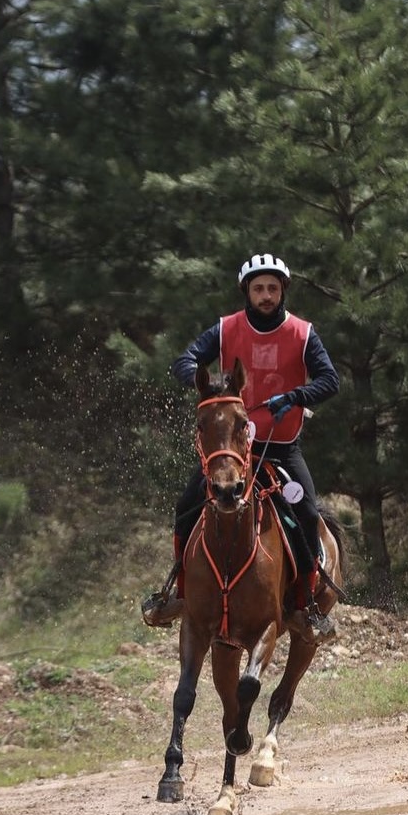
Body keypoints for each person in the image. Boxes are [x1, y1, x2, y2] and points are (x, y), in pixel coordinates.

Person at [141, 252, 340, 643]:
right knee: (186, 507)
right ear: (246, 293)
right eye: (257, 288)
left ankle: (305, 607)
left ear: (282, 291)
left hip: (280, 449)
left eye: (272, 288)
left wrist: (297, 395)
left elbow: (330, 380)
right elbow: (185, 360)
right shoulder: (225, 328)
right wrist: (206, 384)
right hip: (229, 452)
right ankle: (176, 593)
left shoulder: (303, 333)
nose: (265, 295)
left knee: (306, 512)